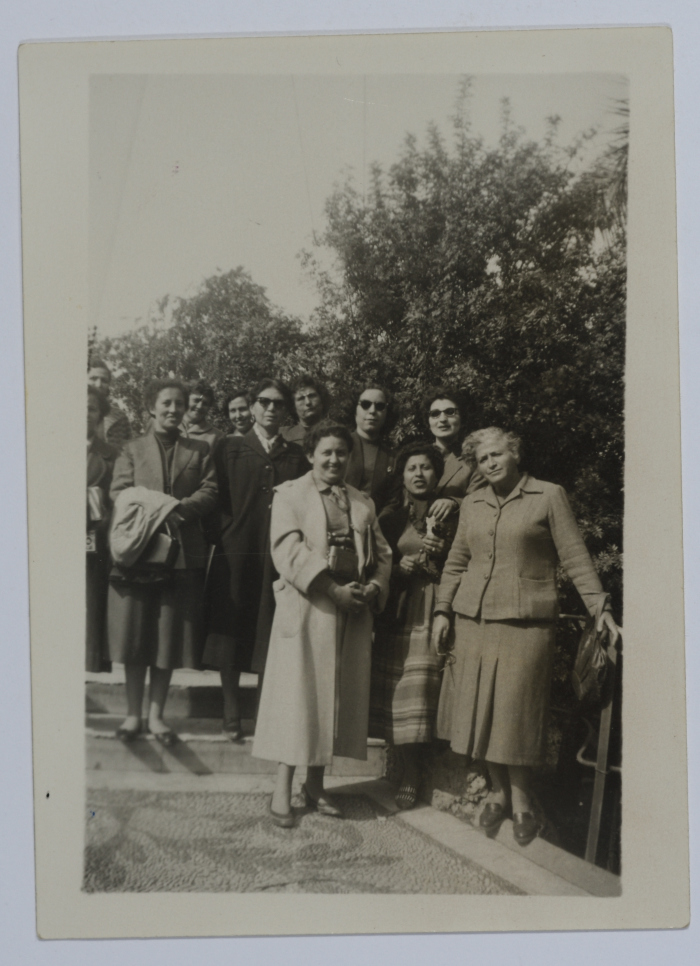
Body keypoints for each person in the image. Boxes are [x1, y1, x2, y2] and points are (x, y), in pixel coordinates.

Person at [431, 427, 621, 846]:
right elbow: (457, 560)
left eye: (498, 454)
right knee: (482, 710)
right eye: (483, 459)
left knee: (515, 712)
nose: (491, 463)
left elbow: (574, 555)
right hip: (474, 620)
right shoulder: (473, 503)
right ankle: (498, 792)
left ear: (515, 453)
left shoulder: (548, 495)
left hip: (526, 623)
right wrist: (442, 609)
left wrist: (600, 609)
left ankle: (521, 803)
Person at [253, 422, 393, 826]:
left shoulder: (362, 502)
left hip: (352, 613)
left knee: (333, 700)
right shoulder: (290, 495)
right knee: (298, 699)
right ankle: (282, 788)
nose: (334, 460)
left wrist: (373, 587)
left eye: (341, 453)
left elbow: (383, 555)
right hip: (308, 608)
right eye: (326, 452)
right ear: (311, 455)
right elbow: (287, 549)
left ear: (350, 458)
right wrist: (332, 590)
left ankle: (316, 786)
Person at [106, 378, 217, 744]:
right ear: (151, 409)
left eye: (179, 404)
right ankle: (132, 715)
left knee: (168, 638)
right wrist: (157, 510)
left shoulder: (200, 448)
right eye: (166, 403)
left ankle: (156, 717)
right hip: (139, 552)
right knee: (135, 637)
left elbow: (211, 490)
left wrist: (179, 510)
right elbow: (119, 492)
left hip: (182, 554)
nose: (173, 410)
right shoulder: (132, 449)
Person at [202, 378, 307, 741]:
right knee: (230, 632)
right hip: (235, 554)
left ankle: (264, 716)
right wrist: (225, 535)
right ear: (252, 406)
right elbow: (212, 496)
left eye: (279, 404)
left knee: (270, 633)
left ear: (286, 411)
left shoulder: (297, 457)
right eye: (264, 402)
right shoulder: (229, 447)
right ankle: (231, 716)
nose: (271, 409)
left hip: (275, 557)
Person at [369, 442, 457, 810]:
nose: (419, 474)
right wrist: (397, 570)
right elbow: (374, 562)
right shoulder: (388, 518)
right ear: (402, 476)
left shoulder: (453, 513)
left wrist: (442, 550)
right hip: (400, 611)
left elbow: (464, 560)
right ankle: (404, 766)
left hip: (433, 608)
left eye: (426, 468)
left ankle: (415, 771)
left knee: (422, 690)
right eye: (411, 468)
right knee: (398, 691)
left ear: (436, 475)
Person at [86, 387, 118, 673]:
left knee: (93, 596)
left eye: (91, 408)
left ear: (100, 415)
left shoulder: (110, 454)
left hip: (94, 535)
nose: (84, 414)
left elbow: (116, 498)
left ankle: (93, 662)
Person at [344, 384, 397, 513]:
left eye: (380, 406)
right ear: (354, 409)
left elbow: (393, 501)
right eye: (365, 404)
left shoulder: (392, 456)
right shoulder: (339, 446)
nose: (372, 411)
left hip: (377, 527)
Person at [87, 356, 132, 449]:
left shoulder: (120, 418)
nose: (98, 384)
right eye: (93, 378)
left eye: (104, 380)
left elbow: (129, 453)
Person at [282, 374, 330, 445]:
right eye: (301, 398)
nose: (308, 402)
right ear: (293, 407)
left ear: (322, 400)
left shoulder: (336, 433)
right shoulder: (285, 436)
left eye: (312, 396)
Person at [181, 379, 225, 453]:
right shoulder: (170, 427)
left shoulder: (217, 437)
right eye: (196, 400)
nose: (199, 406)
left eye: (205, 403)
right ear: (185, 400)